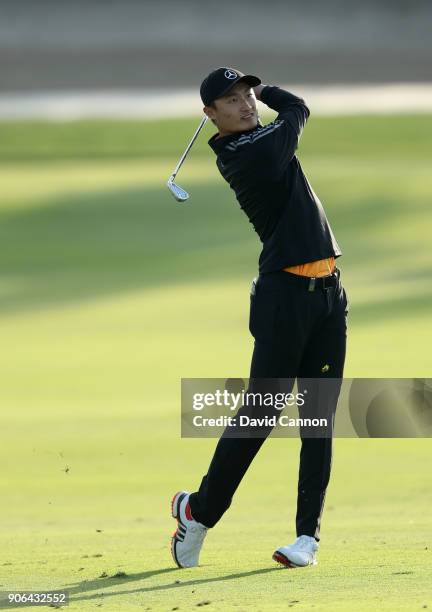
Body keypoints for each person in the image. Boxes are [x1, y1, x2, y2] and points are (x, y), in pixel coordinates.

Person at [170, 67, 349, 569]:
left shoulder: (261, 137)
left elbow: (293, 114)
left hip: (329, 293)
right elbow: (298, 109)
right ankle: (199, 512)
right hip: (282, 297)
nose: (246, 103)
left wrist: (259, 91)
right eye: (232, 99)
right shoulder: (242, 154)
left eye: (248, 93)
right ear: (211, 115)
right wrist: (271, 90)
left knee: (319, 418)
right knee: (261, 414)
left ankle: (306, 540)